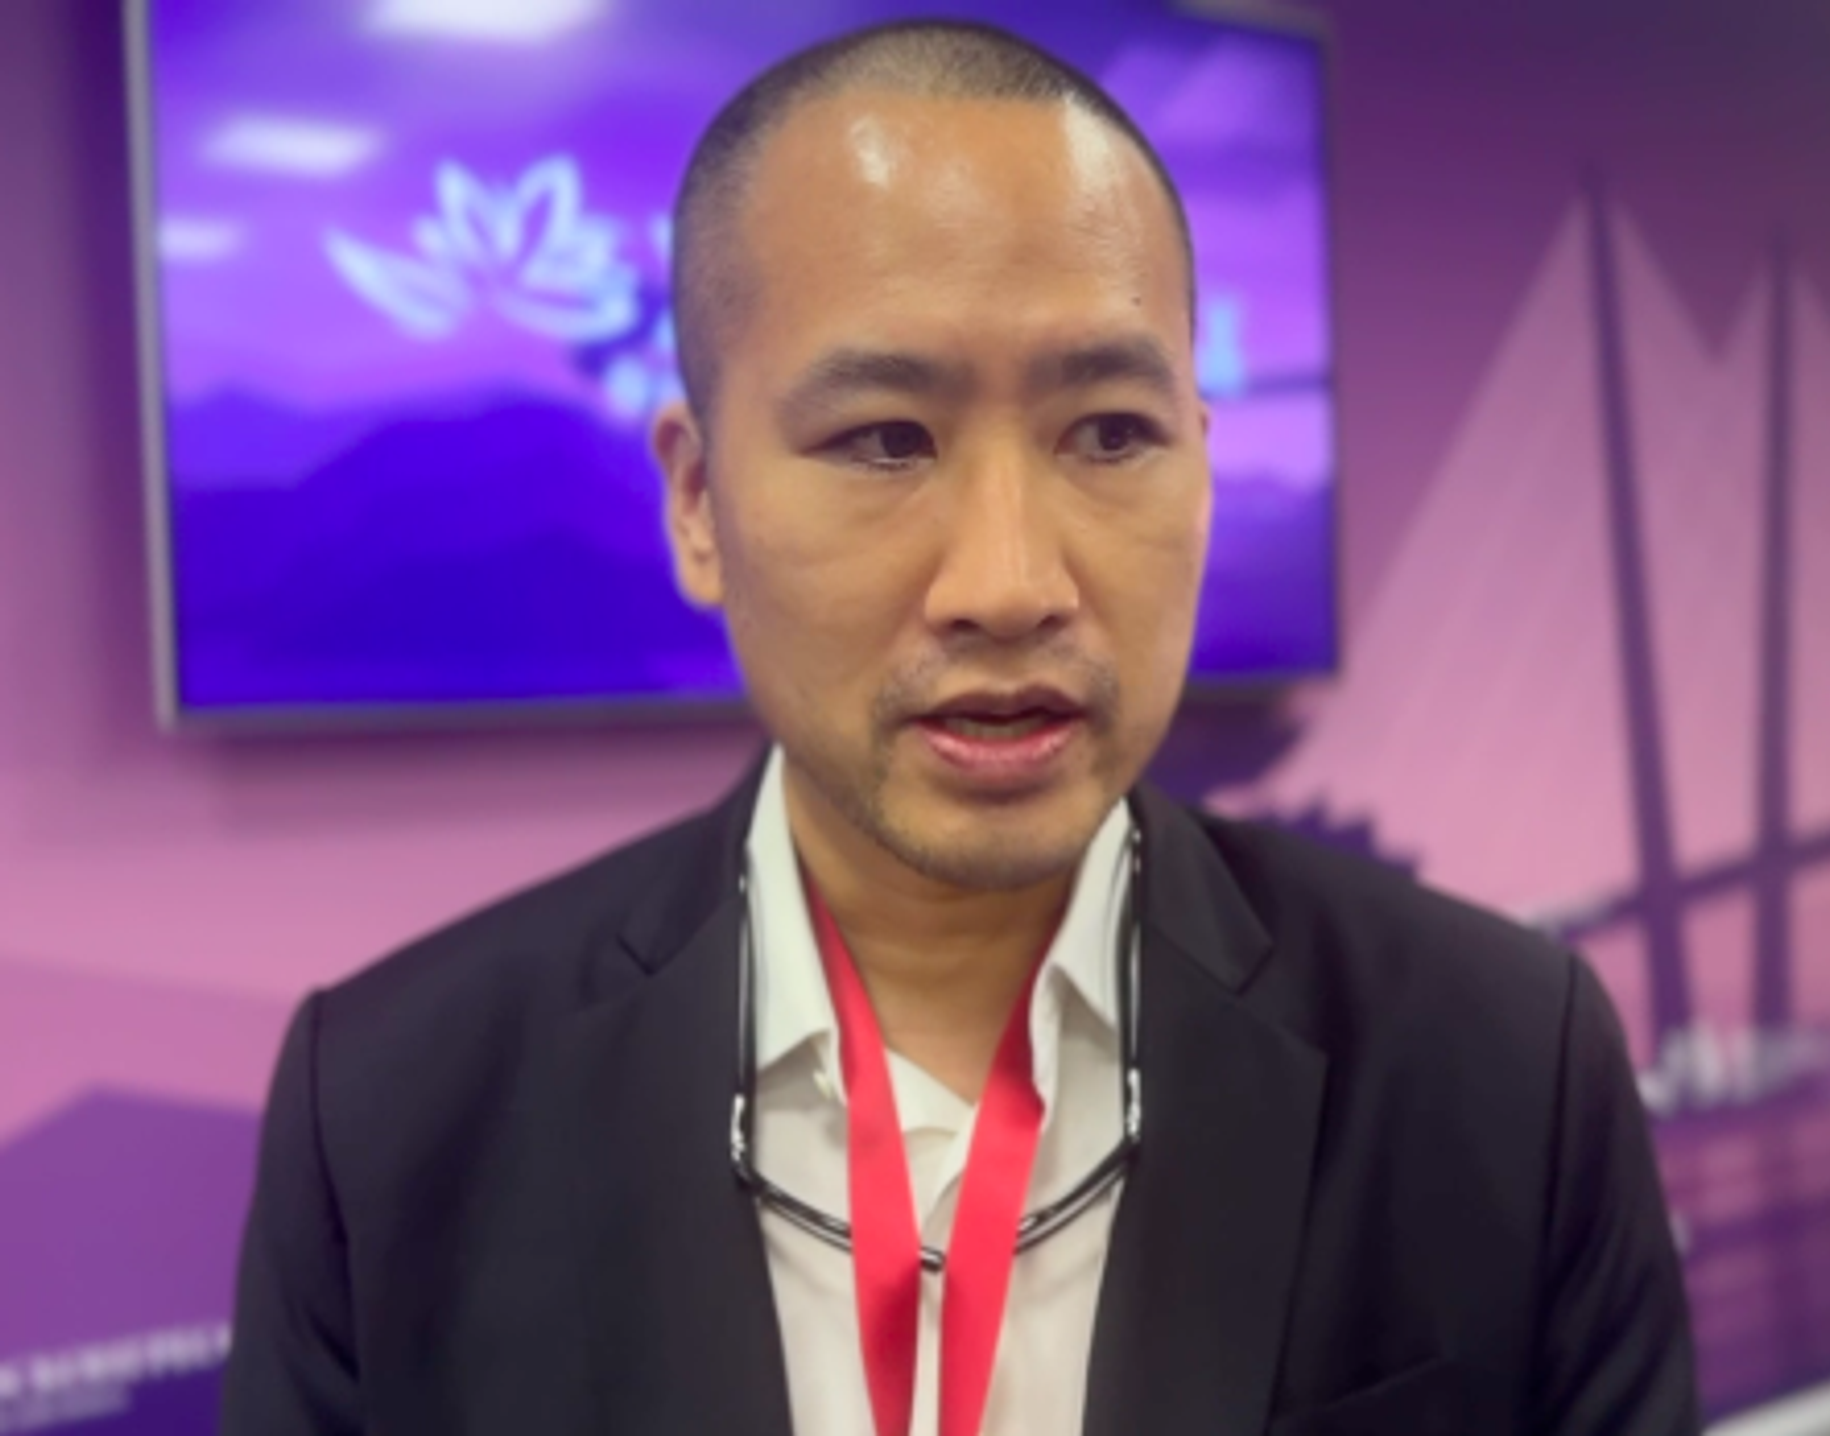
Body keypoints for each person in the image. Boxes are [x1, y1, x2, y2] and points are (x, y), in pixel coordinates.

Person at [220, 19, 1699, 1436]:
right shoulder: (397, 1115)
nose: (1009, 585)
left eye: (1110, 434)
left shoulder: (1501, 1072)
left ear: (1201, 465)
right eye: (885, 441)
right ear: (698, 502)